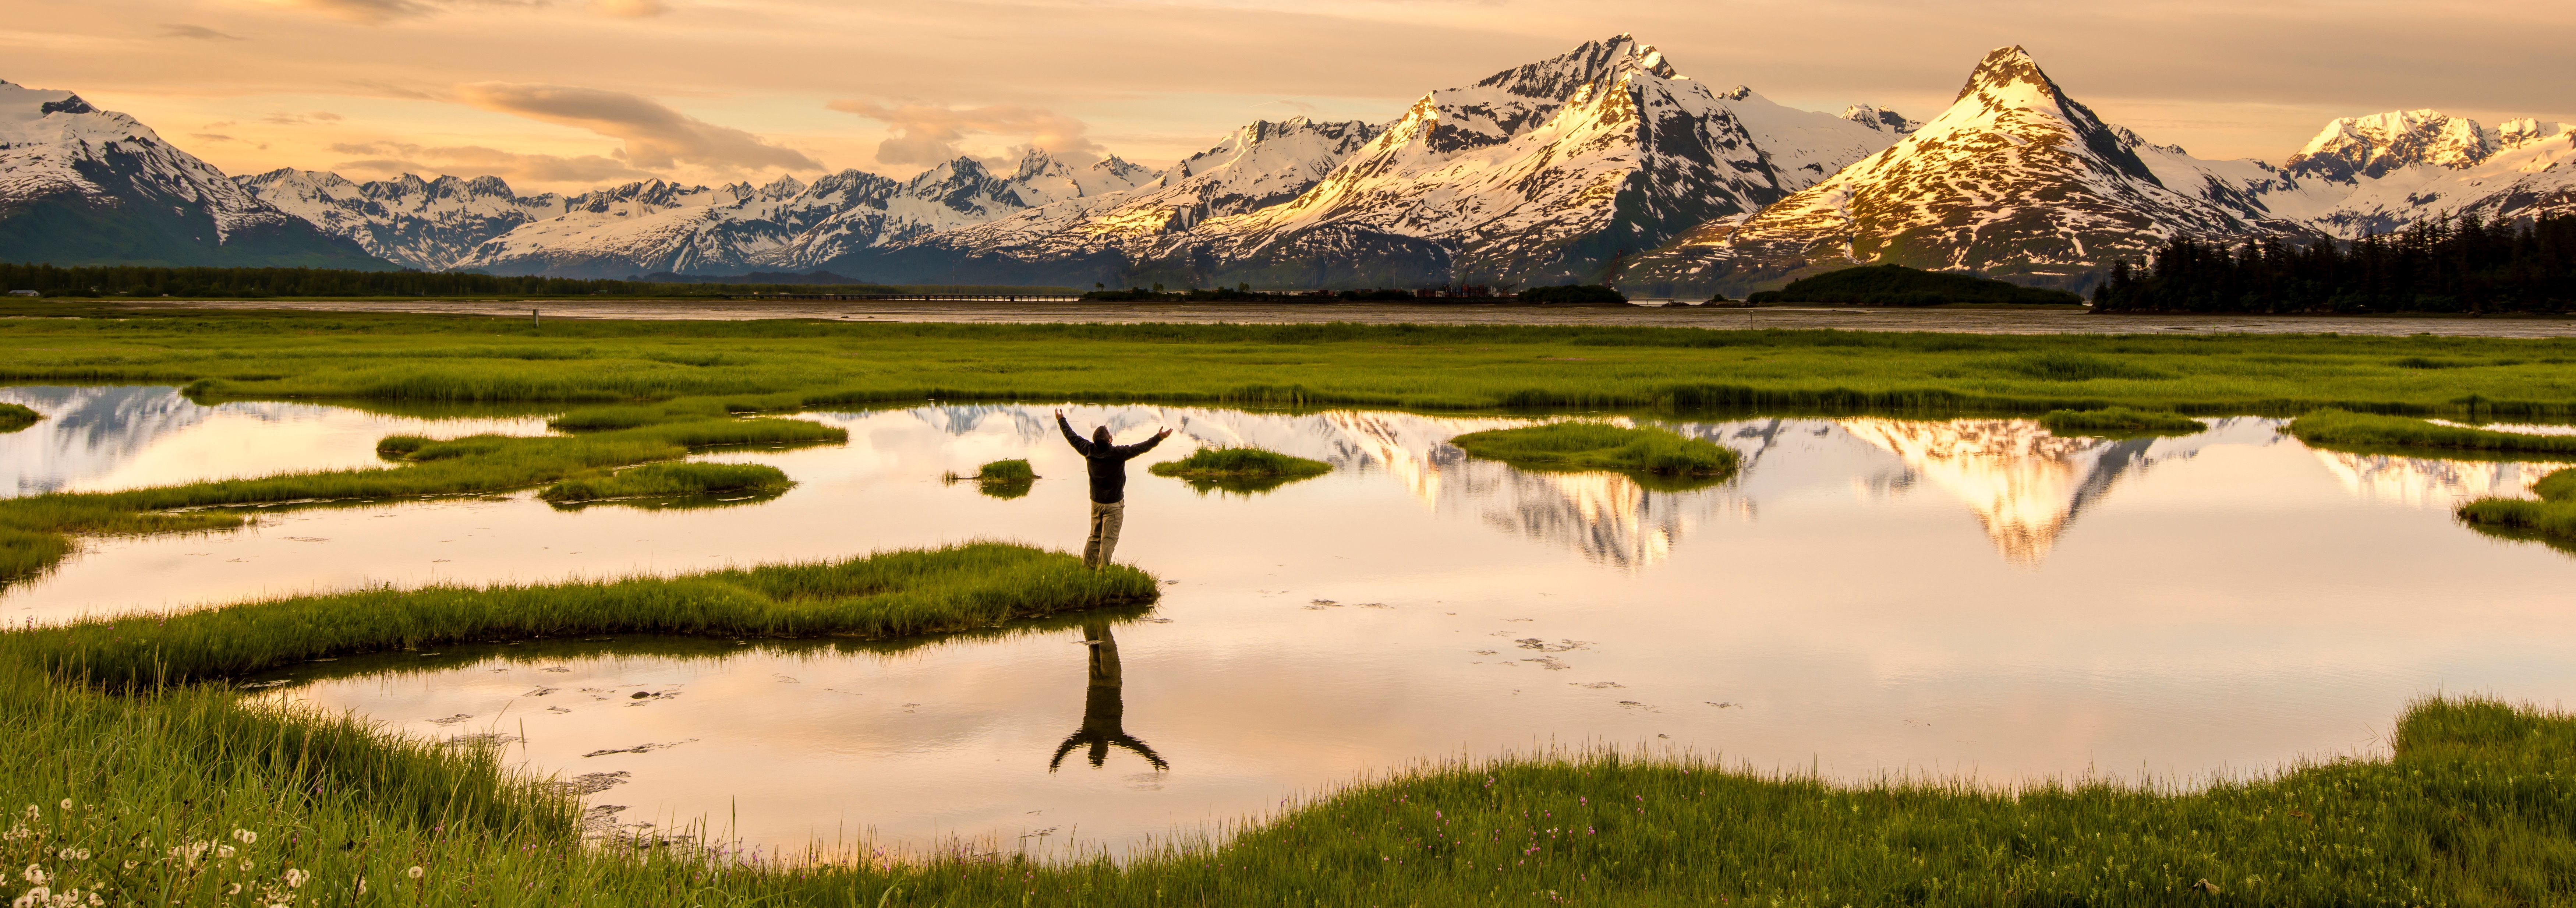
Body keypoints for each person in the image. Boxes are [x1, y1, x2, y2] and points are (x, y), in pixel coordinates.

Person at [1055, 409, 1172, 569]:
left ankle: (1087, 571)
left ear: (1095, 441)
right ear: (1110, 440)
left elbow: (1072, 437)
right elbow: (1139, 448)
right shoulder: (1118, 453)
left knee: (1095, 538)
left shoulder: (1088, 450)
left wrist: (1062, 420)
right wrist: (1158, 438)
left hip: (1096, 504)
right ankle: (1102, 575)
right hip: (1114, 506)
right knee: (1108, 541)